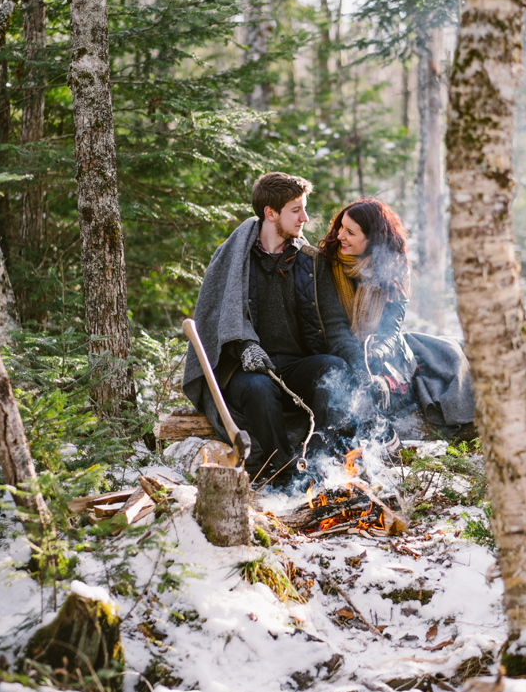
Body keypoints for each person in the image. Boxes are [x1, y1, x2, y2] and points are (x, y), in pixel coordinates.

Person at [182, 172, 364, 485]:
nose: (305, 218)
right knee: (258, 389)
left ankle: (318, 463)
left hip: (295, 366)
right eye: (296, 210)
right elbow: (219, 317)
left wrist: (361, 368)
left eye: (304, 209)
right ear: (270, 213)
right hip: (246, 371)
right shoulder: (233, 258)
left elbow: (334, 326)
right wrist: (245, 346)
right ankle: (282, 470)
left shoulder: (311, 263)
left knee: (332, 368)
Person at [318, 199, 476, 435]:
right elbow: (335, 328)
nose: (340, 235)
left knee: (449, 357)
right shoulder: (326, 264)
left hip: (381, 351)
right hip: (339, 348)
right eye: (340, 227)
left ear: (372, 239)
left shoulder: (393, 271)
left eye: (350, 232)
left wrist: (378, 353)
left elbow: (391, 329)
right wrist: (359, 361)